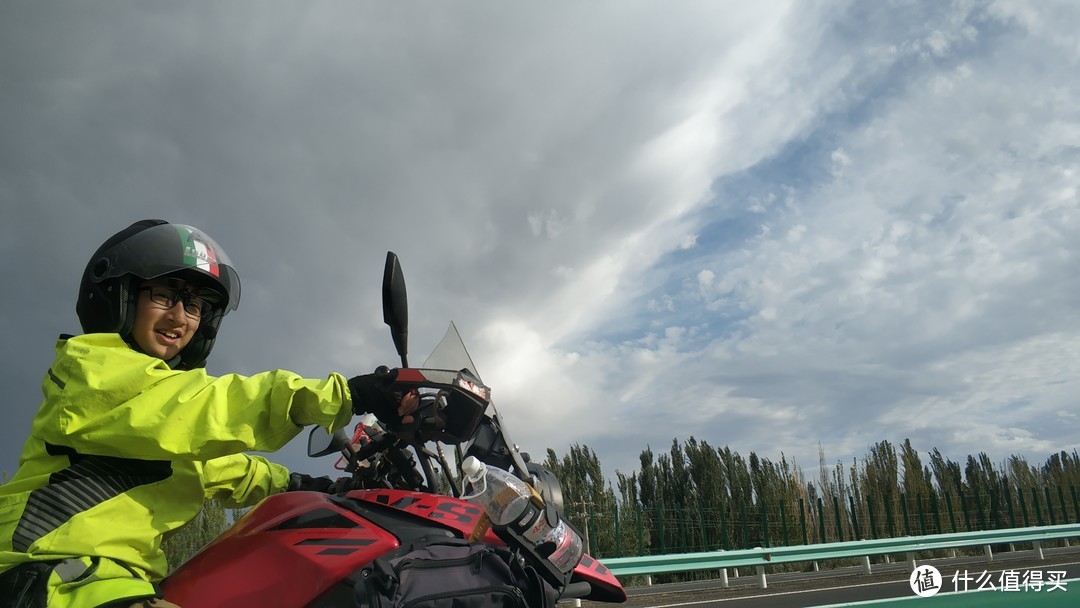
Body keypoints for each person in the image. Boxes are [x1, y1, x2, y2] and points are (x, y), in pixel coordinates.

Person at [0, 219, 417, 608]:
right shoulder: (91, 372)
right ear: (121, 297)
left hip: (112, 582)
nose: (180, 317)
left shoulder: (162, 417)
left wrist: (312, 484)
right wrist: (348, 395)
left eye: (195, 306)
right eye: (164, 295)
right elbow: (207, 409)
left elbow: (224, 468)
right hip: (48, 575)